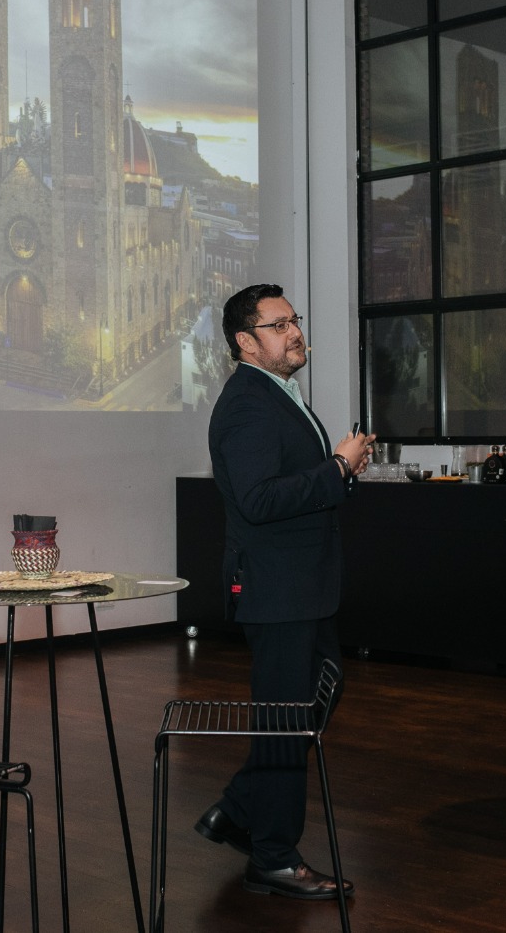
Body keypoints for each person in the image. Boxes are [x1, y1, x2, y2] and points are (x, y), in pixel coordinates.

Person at [199, 282, 374, 902]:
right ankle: (273, 857)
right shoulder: (248, 404)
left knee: (314, 699)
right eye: (278, 325)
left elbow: (292, 484)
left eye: (293, 320)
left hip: (302, 586)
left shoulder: (277, 393)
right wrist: (337, 468)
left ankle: (238, 809)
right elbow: (258, 499)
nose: (294, 332)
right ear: (246, 343)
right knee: (285, 722)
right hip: (277, 589)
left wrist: (339, 472)